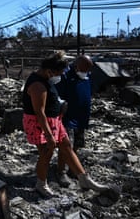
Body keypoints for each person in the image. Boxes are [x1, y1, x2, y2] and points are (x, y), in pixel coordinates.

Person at [22, 51, 108, 197]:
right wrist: (49, 135)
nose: (61, 76)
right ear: (49, 71)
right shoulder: (37, 85)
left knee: (67, 146)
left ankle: (84, 179)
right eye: (59, 73)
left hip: (54, 120)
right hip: (40, 123)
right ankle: (41, 184)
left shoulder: (46, 78)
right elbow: (40, 112)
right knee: (46, 153)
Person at [55, 54, 94, 187]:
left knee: (77, 144)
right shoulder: (65, 76)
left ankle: (73, 168)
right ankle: (61, 172)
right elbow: (58, 97)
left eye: (88, 70)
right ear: (76, 67)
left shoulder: (86, 76)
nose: (86, 73)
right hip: (68, 117)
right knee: (66, 146)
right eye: (84, 70)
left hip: (81, 116)